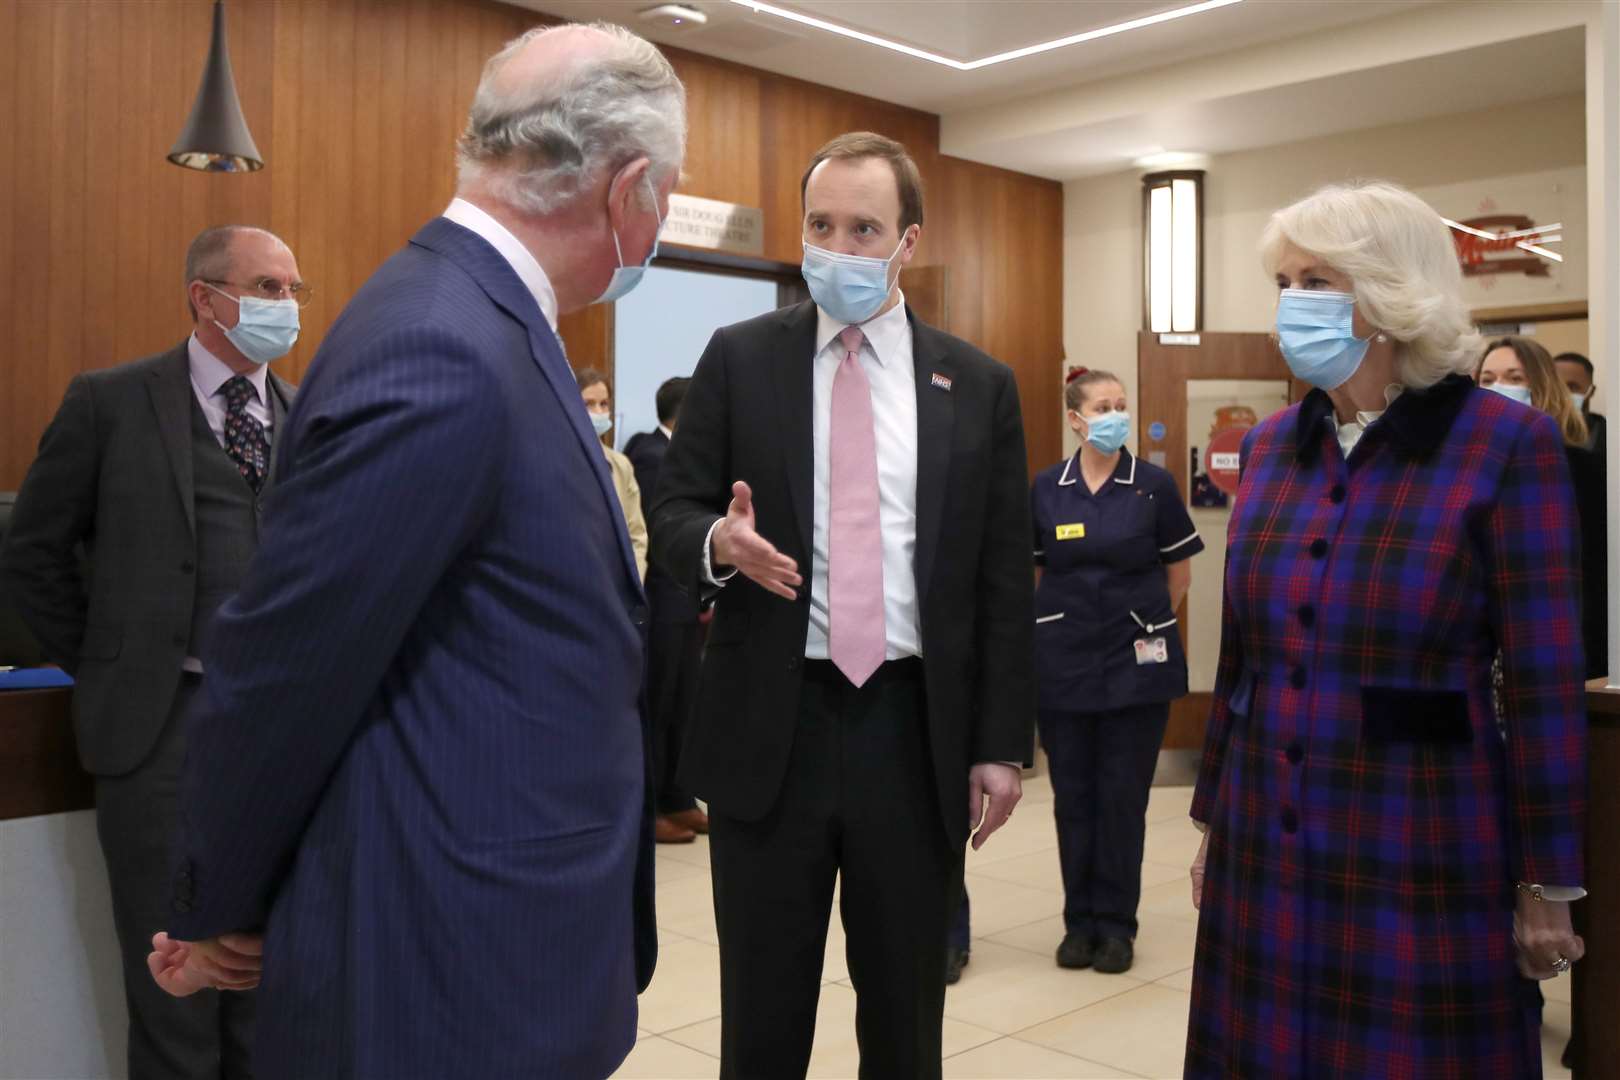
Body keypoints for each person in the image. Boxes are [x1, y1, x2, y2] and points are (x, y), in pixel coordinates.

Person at [140, 23, 684, 1080]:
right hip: (450, 971)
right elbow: (288, 661)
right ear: (628, 192)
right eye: (665, 191)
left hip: (504, 941)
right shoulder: (444, 340)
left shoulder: (490, 321)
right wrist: (228, 903)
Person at [648, 131, 1035, 1080]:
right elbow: (674, 508)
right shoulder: (739, 359)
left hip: (912, 733)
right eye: (821, 225)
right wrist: (716, 543)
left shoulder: (976, 384)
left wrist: (999, 742)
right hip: (770, 730)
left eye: (865, 228)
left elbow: (999, 581)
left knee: (906, 1017)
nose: (838, 247)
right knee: (763, 1015)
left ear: (908, 242)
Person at [1186, 181, 1587, 1078]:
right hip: (1266, 833)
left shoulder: (1505, 447)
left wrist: (1548, 882)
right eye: (1284, 280)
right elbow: (1243, 657)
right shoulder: (1271, 446)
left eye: (1316, 279)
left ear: (1389, 292)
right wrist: (1212, 819)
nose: (1291, 302)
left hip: (1421, 838)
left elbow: (1545, 683)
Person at [0, 224, 302, 1079]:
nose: (287, 308)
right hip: (157, 728)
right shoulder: (111, 402)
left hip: (277, 736)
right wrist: (111, 659)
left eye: (293, 290)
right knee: (174, 980)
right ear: (205, 298)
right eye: (268, 288)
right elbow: (31, 554)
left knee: (261, 976)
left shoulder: (307, 416)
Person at [1031, 366, 1201, 975]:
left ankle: (1117, 926)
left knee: (1123, 800)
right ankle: (1079, 924)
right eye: (1102, 406)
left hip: (1137, 666)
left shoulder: (1152, 485)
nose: (1113, 415)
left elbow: (1178, 575)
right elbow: (1036, 572)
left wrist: (1143, 622)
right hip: (1064, 663)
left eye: (1120, 404)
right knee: (1072, 798)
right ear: (1075, 418)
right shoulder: (1048, 488)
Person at [1478, 336, 1607, 680]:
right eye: (1487, 380)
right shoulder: (1463, 468)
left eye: (1515, 378)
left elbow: (1589, 574)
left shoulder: (1579, 466)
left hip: (1557, 645)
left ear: (1542, 386)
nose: (1499, 388)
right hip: (1482, 649)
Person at [625, 376, 709, 843]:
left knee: (684, 705)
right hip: (661, 599)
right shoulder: (654, 456)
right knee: (658, 705)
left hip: (686, 600)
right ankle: (652, 805)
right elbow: (664, 533)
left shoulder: (674, 453)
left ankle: (680, 797)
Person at [578, 366, 649, 581]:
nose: (598, 411)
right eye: (588, 404)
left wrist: (632, 581)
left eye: (603, 404)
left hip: (616, 586)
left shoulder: (620, 465)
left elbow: (637, 535)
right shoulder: (557, 459)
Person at [1554, 351, 1606, 455]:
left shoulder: (1609, 437)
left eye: (1572, 387)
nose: (1562, 393)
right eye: (1556, 385)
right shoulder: (1533, 433)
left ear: (1591, 391)